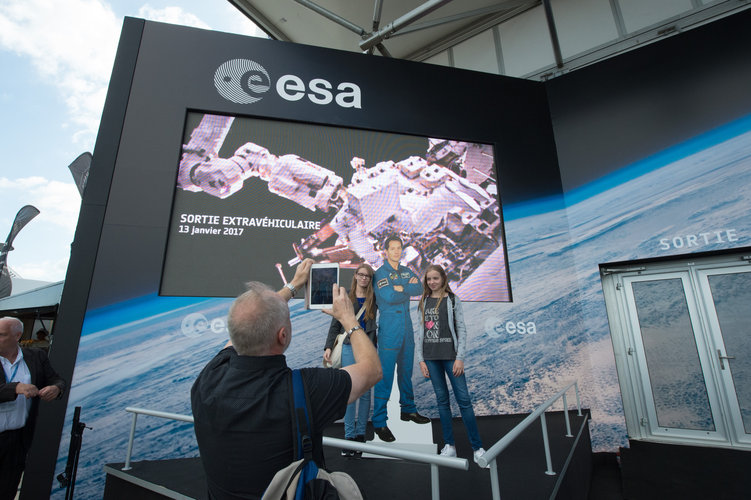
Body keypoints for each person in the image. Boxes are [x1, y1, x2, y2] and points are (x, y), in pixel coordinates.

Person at [191, 259, 382, 500]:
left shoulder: (208, 378)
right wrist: (349, 320)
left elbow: (242, 329)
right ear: (283, 336)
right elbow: (372, 369)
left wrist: (292, 286)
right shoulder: (304, 389)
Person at [416, 265, 488, 467]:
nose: (432, 282)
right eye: (429, 279)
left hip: (451, 357)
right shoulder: (422, 301)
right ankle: (450, 446)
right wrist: (421, 359)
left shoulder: (453, 300)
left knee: (464, 400)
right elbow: (420, 331)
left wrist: (460, 357)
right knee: (442, 402)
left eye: (435, 278)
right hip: (431, 358)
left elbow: (462, 329)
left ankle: (477, 448)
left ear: (443, 279)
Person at [371, 236, 429, 442]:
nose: (396, 252)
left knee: (406, 372)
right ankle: (379, 421)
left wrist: (401, 288)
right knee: (385, 376)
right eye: (392, 248)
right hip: (389, 329)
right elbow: (388, 296)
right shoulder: (380, 273)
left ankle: (408, 410)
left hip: (406, 328)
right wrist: (404, 289)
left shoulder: (405, 271)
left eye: (399, 248)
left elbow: (419, 289)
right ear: (385, 251)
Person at [0, 317, 66, 499]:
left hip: (18, 439)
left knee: (7, 488)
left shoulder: (36, 356)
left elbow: (56, 379)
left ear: (17, 336)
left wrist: (56, 388)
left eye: (1, 335)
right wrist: (15, 387)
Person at [323, 264, 378, 456]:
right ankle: (349, 437)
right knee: (350, 392)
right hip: (347, 347)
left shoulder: (374, 300)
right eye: (361, 275)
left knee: (365, 395)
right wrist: (328, 346)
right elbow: (334, 325)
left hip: (367, 349)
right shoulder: (346, 299)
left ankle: (360, 436)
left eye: (367, 276)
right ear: (355, 276)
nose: (364, 278)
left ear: (370, 279)